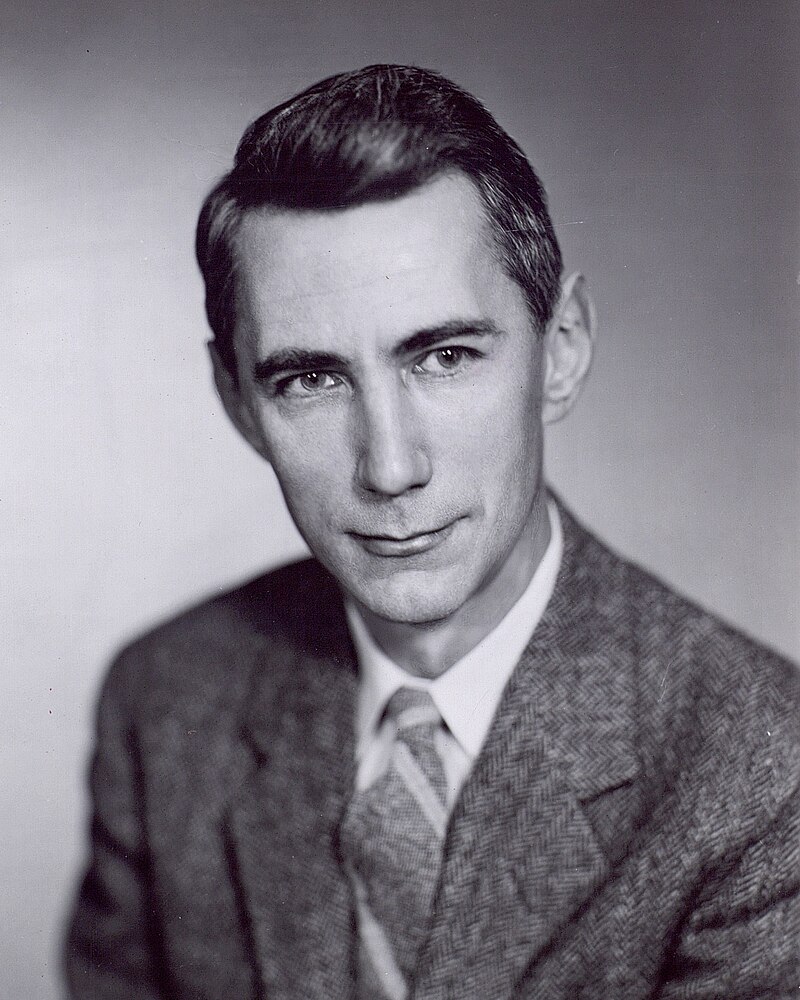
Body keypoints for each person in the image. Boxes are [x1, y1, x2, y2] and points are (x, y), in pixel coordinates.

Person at [64, 64, 799, 1000]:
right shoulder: (165, 700)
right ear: (238, 402)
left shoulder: (768, 776)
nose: (390, 467)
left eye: (444, 357)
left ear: (561, 350)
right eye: (311, 380)